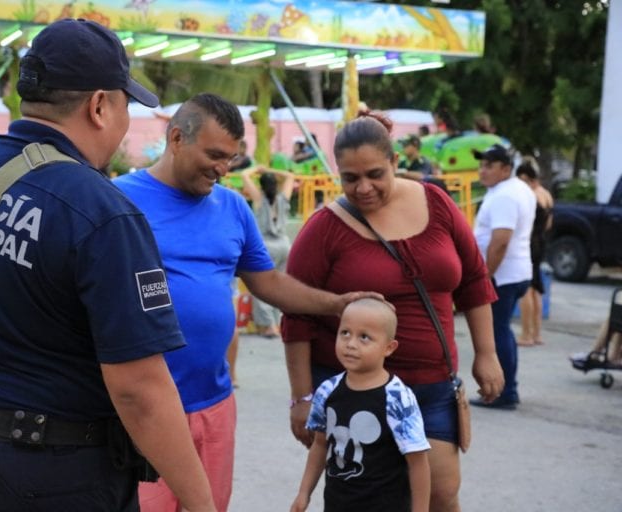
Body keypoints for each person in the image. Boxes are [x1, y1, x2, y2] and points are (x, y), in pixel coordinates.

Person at [0, 19, 217, 512]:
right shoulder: (103, 212)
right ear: (99, 105)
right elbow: (139, 388)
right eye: (125, 105)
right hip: (54, 473)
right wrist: (202, 503)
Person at [114, 93, 374, 512]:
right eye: (214, 155)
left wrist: (336, 304)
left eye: (231, 158)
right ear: (177, 138)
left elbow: (267, 281)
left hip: (214, 405)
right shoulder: (118, 200)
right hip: (145, 409)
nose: (223, 168)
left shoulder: (233, 207)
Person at [282, 112, 503, 512]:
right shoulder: (325, 227)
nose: (363, 187)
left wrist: (487, 354)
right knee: (371, 500)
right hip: (358, 396)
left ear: (396, 163)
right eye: (350, 178)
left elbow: (474, 279)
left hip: (433, 384)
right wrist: (301, 396)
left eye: (374, 174)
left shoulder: (436, 202)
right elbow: (297, 314)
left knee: (440, 494)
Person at [290, 298, 431, 512]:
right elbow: (320, 445)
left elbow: (418, 462)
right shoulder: (327, 390)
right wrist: (304, 493)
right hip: (337, 504)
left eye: (364, 337)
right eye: (345, 333)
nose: (351, 344)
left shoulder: (397, 397)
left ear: (389, 348)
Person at [471, 144, 536, 411]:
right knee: (501, 330)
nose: (482, 170)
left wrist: (484, 277)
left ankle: (505, 391)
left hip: (503, 275)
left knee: (497, 333)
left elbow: (500, 242)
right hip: (515, 272)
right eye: (481, 164)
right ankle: (506, 389)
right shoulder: (514, 189)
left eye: (489, 165)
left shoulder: (505, 196)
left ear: (505, 169)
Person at [240, 165, 296, 337]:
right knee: (279, 285)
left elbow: (244, 174)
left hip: (266, 246)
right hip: (285, 245)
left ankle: (268, 325)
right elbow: (290, 175)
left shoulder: (259, 199)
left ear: (262, 186)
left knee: (262, 286)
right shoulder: (283, 198)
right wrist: (272, 170)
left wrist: (257, 169)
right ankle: (279, 322)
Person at [515, 157, 554, 347]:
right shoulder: (546, 194)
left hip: (529, 243)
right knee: (537, 288)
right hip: (541, 242)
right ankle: (537, 333)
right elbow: (549, 223)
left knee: (527, 290)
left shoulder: (528, 195)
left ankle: (526, 334)